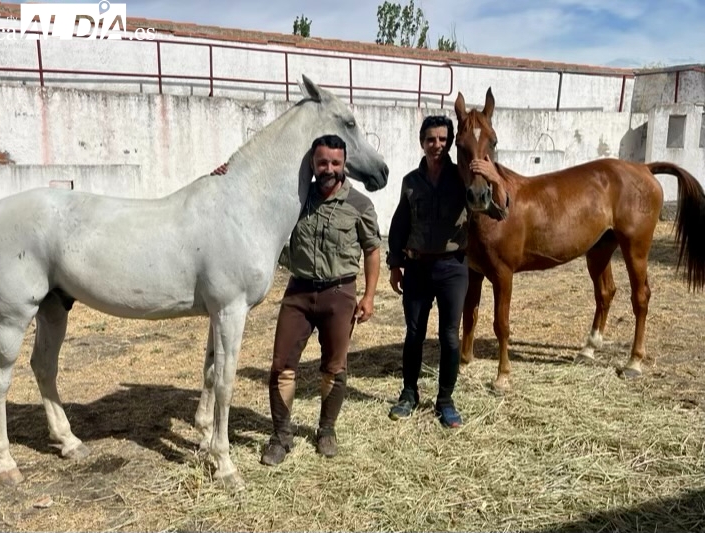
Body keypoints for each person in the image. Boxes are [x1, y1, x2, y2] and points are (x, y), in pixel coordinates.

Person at [212, 134, 382, 465]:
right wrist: (224, 176)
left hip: (339, 294)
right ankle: (281, 436)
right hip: (299, 293)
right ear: (313, 165)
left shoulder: (360, 205)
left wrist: (369, 295)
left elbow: (373, 250)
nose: (329, 169)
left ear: (344, 164)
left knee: (334, 368)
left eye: (335, 162)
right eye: (322, 163)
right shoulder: (297, 199)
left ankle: (327, 429)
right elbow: (250, 196)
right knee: (281, 367)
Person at [386, 115, 507, 427]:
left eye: (442, 139)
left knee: (450, 337)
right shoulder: (411, 181)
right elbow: (400, 223)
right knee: (414, 335)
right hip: (416, 268)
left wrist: (494, 177)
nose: (436, 145)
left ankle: (445, 400)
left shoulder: (464, 177)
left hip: (452, 268)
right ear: (422, 142)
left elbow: (500, 211)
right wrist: (394, 264)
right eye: (430, 139)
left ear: (450, 143)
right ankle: (409, 394)